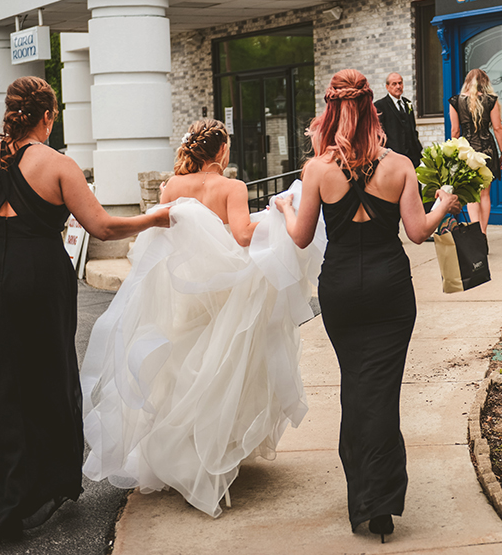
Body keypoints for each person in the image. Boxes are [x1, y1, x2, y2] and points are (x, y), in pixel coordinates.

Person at [0, 76, 170, 544]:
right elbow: (102, 225)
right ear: (47, 116)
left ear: (9, 111)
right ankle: (49, 483)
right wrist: (155, 217)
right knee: (45, 374)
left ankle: (3, 504)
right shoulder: (57, 164)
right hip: (40, 278)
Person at [79, 119, 324, 517]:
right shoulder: (232, 187)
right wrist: (277, 213)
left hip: (183, 289)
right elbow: (243, 236)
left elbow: (166, 234)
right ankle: (214, 448)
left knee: (180, 364)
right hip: (223, 289)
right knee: (220, 364)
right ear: (222, 152)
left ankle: (182, 450)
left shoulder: (172, 186)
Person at [276, 69, 459, 542]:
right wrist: (444, 202)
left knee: (356, 387)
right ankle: (379, 504)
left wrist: (283, 210)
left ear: (332, 110)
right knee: (381, 391)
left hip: (340, 289)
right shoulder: (398, 166)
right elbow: (419, 233)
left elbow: (299, 239)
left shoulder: (316, 169)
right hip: (390, 290)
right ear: (372, 109)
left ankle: (363, 497)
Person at [448, 68, 502, 234]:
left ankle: (476, 234)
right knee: (485, 195)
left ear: (467, 82)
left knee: (472, 194)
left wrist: (454, 154)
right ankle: (483, 233)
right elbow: (497, 128)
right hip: (487, 149)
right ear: (485, 83)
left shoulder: (455, 101)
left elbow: (455, 131)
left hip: (467, 152)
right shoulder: (491, 100)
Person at [374, 72, 423, 167]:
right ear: (387, 87)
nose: (398, 86)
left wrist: (417, 149)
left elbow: (413, 129)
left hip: (413, 157)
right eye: (394, 84)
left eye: (400, 83)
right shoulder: (379, 106)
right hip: (393, 157)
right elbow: (379, 135)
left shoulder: (407, 103)